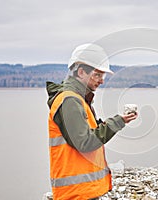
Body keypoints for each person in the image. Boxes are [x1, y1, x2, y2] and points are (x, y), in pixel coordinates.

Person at [46, 43, 137, 200]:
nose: (101, 81)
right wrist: (115, 123)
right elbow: (85, 142)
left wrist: (120, 120)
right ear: (81, 72)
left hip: (84, 191)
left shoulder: (79, 99)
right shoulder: (69, 100)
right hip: (76, 193)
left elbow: (88, 133)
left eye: (103, 76)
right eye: (97, 75)